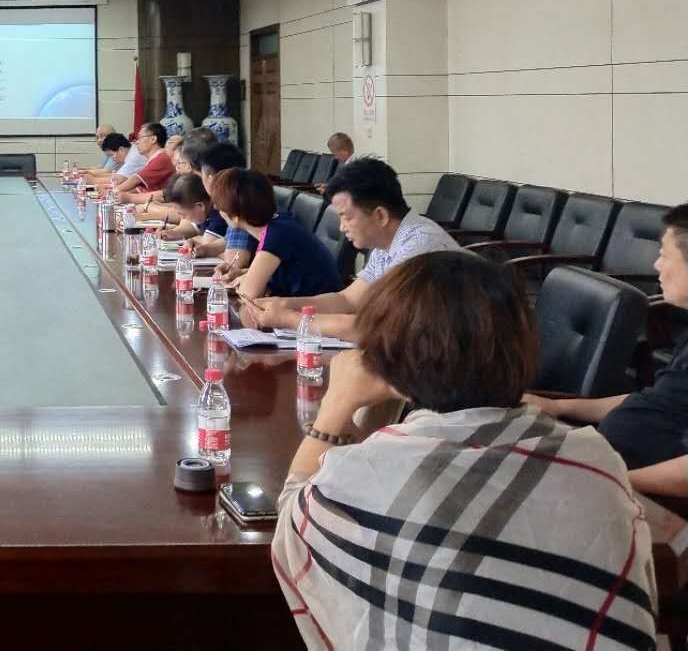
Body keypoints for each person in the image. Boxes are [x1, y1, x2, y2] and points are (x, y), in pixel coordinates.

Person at [274, 251, 656, 649]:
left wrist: (336, 406)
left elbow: (292, 522)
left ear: (384, 362)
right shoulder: (596, 460)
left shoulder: (357, 478)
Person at [528, 203, 688, 495]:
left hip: (634, 491)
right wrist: (559, 406)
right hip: (605, 461)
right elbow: (657, 401)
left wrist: (610, 481)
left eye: (665, 255)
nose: (657, 265)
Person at [239, 158, 459, 337]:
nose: (342, 228)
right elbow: (347, 300)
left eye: (346, 217)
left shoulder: (419, 248)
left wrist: (290, 319)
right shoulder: (386, 244)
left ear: (380, 215)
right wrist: (284, 304)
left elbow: (380, 329)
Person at [210, 168, 341, 300]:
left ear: (235, 217)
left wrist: (247, 281)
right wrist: (243, 273)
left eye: (221, 209)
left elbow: (248, 294)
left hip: (318, 309)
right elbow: (281, 272)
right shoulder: (279, 222)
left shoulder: (276, 235)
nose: (220, 213)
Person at [180, 137, 256, 277]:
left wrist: (221, 253)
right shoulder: (244, 192)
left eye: (201, 175)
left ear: (210, 179)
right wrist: (204, 249)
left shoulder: (238, 204)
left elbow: (234, 261)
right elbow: (230, 240)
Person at [113, 123, 175, 201]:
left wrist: (113, 191)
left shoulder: (161, 157)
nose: (137, 142)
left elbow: (136, 179)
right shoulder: (155, 157)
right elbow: (140, 188)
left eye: (140, 138)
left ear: (153, 139)